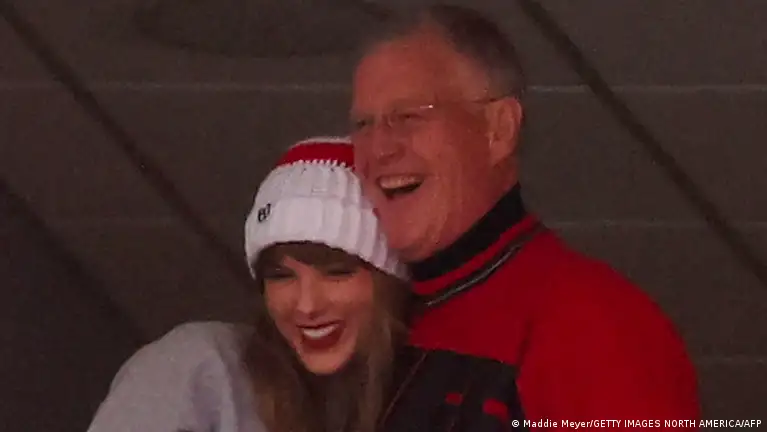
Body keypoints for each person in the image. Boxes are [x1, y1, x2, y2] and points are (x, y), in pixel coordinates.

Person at [349, 4, 700, 430]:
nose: (379, 149)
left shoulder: (593, 325)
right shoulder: (375, 320)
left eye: (408, 117)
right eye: (363, 125)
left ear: (498, 130)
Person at [86, 136, 410, 432]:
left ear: (391, 281)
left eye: (336, 273)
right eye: (281, 276)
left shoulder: (425, 395)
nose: (306, 305)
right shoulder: (203, 368)